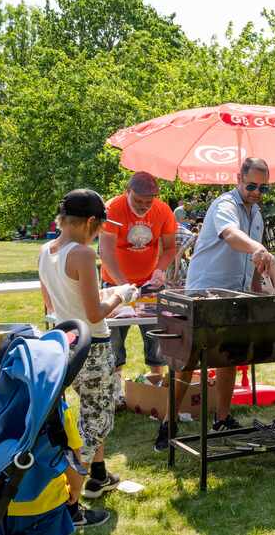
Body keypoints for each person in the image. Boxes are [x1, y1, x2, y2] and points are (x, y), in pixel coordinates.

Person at [154, 158, 275, 452]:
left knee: (230, 356)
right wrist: (258, 247)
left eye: (263, 188)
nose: (256, 192)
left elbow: (251, 262)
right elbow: (231, 236)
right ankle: (168, 422)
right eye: (251, 185)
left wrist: (256, 289)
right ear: (239, 178)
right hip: (204, 293)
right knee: (188, 360)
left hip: (235, 294)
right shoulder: (224, 205)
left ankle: (222, 418)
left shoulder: (258, 214)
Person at [38, 189, 139, 515]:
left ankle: (98, 476)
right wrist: (122, 295)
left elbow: (54, 304)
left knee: (85, 415)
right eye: (99, 230)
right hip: (93, 347)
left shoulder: (45, 251)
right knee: (96, 422)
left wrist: (104, 294)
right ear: (91, 222)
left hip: (64, 344)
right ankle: (71, 504)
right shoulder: (81, 253)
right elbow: (95, 313)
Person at [98, 171, 176, 406]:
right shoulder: (112, 209)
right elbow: (107, 252)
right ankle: (115, 394)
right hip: (114, 284)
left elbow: (170, 247)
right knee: (113, 339)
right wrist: (123, 285)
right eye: (138, 201)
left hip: (148, 285)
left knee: (155, 335)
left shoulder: (163, 210)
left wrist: (160, 270)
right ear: (127, 191)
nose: (143, 207)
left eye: (148, 202)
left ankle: (156, 388)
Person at [0, 403, 107, 533]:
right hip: (47, 504)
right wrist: (75, 488)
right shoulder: (57, 408)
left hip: (2, 502)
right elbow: (71, 457)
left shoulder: (2, 403)